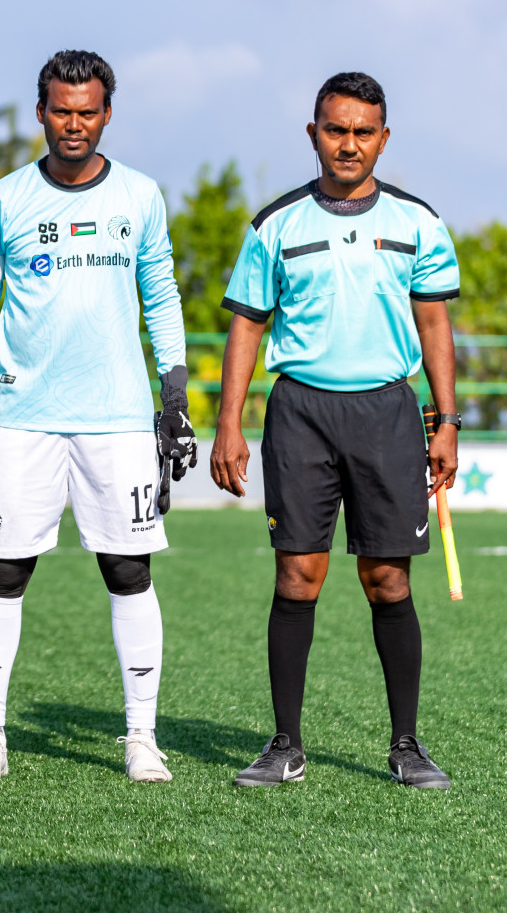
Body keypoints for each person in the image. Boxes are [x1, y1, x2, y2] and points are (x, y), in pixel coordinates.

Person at [0, 50, 192, 785]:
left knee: (127, 568)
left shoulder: (142, 197)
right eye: (62, 111)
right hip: (24, 418)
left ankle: (141, 737)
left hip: (118, 419)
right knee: (5, 571)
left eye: (88, 112)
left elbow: (163, 298)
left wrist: (174, 397)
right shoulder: (4, 200)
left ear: (107, 114)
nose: (75, 124)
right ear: (41, 113)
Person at [212, 72, 459, 789]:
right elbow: (246, 325)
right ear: (313, 132)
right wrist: (231, 423)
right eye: (335, 128)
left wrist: (444, 421)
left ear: (383, 137)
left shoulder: (419, 222)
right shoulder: (275, 224)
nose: (348, 143)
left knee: (386, 578)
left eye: (362, 131)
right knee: (298, 574)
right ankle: (285, 742)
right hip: (300, 414)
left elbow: (435, 324)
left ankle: (406, 744)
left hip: (386, 411)